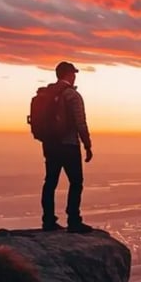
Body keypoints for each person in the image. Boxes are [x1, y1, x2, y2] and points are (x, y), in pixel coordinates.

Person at [40, 61, 94, 233]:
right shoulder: (72, 95)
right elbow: (80, 122)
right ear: (69, 75)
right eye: (73, 74)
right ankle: (74, 221)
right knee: (76, 182)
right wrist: (87, 145)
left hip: (50, 144)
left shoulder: (47, 93)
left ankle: (48, 221)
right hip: (69, 145)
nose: (75, 76)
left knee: (50, 182)